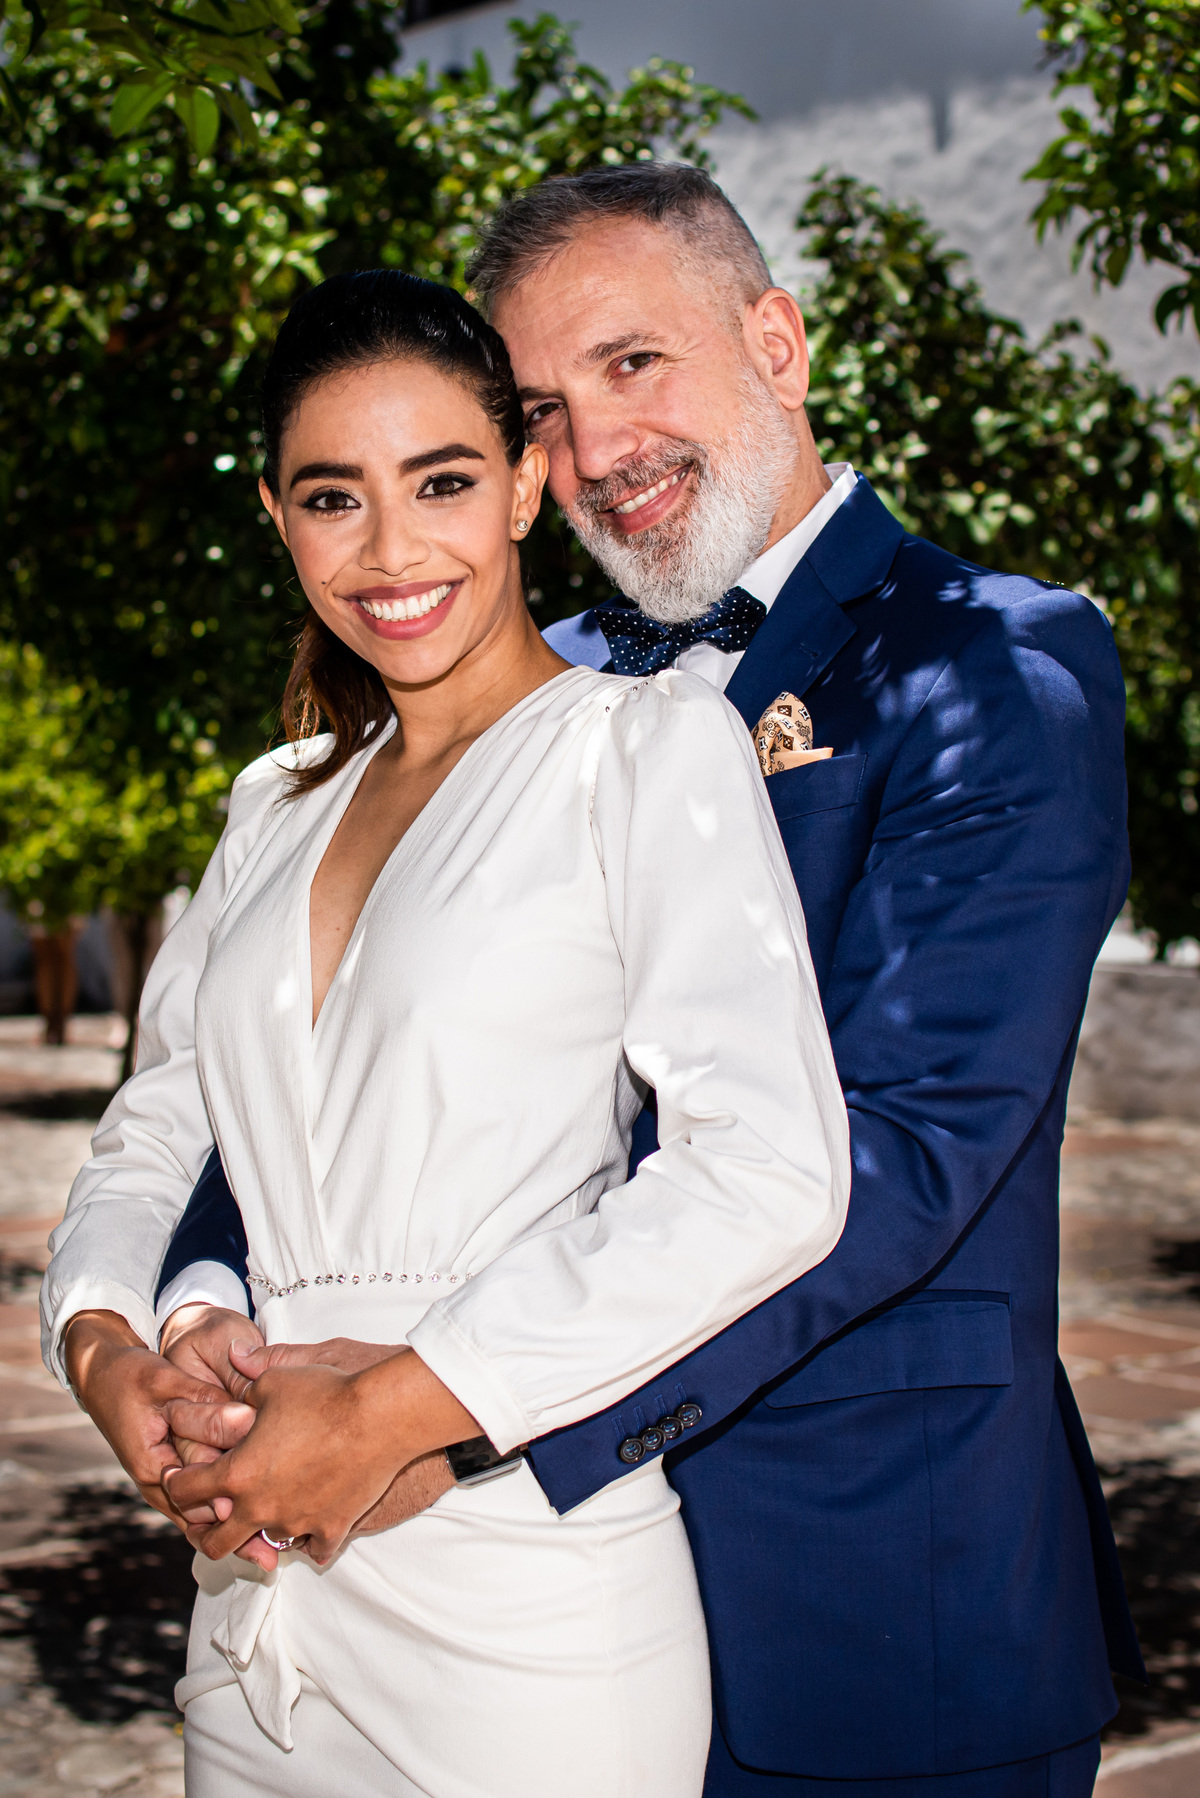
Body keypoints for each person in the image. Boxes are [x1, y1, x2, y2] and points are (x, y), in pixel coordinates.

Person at [70, 164, 1141, 1795]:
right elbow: (298, 1069)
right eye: (545, 406)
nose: (594, 449)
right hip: (463, 1570)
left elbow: (898, 1155)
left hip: (857, 1590)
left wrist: (457, 1417)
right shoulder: (517, 683)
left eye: (635, 364)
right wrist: (200, 1305)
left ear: (776, 342)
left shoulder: (982, 664)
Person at [40, 268, 849, 1795]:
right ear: (278, 517)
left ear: (529, 485)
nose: (394, 549)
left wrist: (394, 1407)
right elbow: (158, 1123)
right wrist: (104, 1346)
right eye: (336, 496)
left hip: (527, 1609)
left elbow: (770, 1172)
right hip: (251, 1610)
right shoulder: (272, 803)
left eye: (445, 481)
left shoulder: (646, 744)